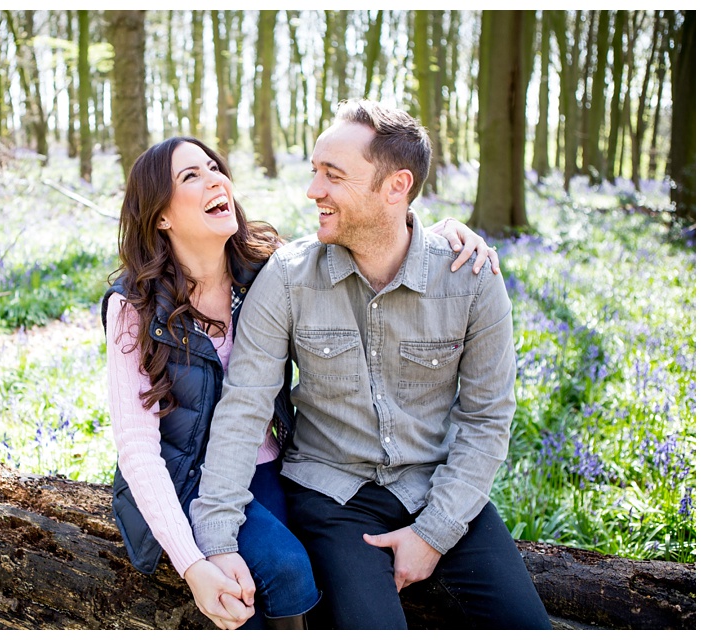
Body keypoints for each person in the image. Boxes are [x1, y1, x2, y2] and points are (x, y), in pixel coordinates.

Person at [103, 135, 499, 630]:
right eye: (191, 176)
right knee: (267, 575)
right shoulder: (135, 307)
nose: (215, 179)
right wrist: (193, 563)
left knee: (302, 571)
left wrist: (438, 233)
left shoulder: (264, 269)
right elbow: (137, 450)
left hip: (266, 463)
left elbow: (371, 233)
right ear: (160, 215)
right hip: (182, 474)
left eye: (214, 167)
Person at [189, 101, 552, 629]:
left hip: (437, 484)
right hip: (332, 495)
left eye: (332, 176)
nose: (313, 191)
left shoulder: (472, 279)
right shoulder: (289, 279)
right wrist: (217, 540)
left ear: (395, 186)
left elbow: (487, 418)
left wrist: (434, 533)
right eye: (315, 171)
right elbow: (243, 409)